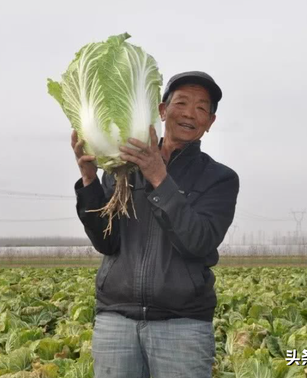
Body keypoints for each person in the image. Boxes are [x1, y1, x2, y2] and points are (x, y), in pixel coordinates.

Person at [71, 71, 239, 378]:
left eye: (202, 108)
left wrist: (159, 178)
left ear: (210, 122)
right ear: (162, 111)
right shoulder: (124, 167)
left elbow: (198, 241)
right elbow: (106, 241)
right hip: (116, 321)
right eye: (182, 102)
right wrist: (89, 180)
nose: (190, 113)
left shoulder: (219, 179)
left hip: (182, 326)